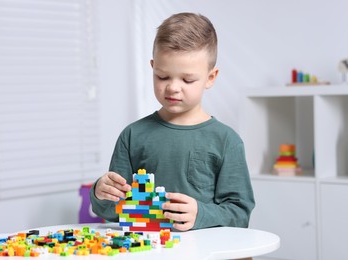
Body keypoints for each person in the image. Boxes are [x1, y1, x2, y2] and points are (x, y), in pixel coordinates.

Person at [90, 12, 255, 231]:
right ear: (153, 67)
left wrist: (200, 213)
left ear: (211, 77)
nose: (173, 87)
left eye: (187, 79)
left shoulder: (226, 141)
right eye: (163, 76)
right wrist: (100, 193)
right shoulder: (132, 136)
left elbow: (239, 213)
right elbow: (111, 210)